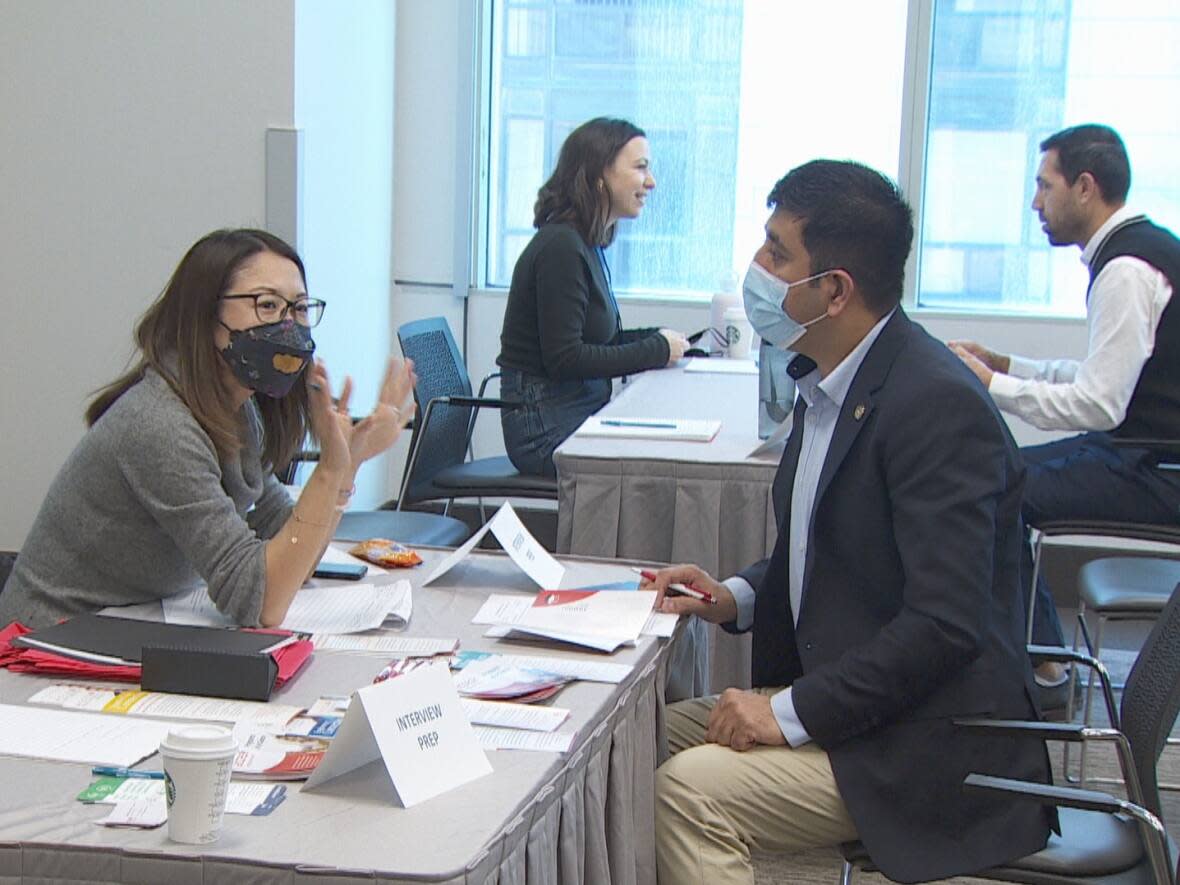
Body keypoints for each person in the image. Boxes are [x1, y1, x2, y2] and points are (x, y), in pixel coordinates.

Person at [643, 160, 1052, 884]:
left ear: (834, 290)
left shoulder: (935, 407)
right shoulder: (837, 382)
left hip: (930, 745)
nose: (756, 270)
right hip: (870, 705)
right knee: (629, 742)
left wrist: (788, 712)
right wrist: (735, 592)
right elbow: (837, 550)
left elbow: (944, 626)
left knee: (686, 793)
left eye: (776, 252)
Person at [0, 228, 415, 629]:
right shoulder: (160, 425)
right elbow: (262, 602)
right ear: (206, 314)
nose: (289, 326)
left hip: (133, 625)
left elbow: (289, 549)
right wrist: (329, 469)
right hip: (48, 643)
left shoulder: (235, 407)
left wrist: (350, 461)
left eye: (300, 308)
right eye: (267, 306)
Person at [950, 124, 1180, 701]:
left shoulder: (1126, 270)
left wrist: (991, 385)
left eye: (1043, 186)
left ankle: (1043, 670)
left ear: (1084, 187)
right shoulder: (1141, 252)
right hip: (1141, 453)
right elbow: (1105, 378)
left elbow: (1100, 405)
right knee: (993, 469)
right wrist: (1008, 364)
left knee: (991, 484)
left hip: (1153, 469)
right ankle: (1039, 660)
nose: (1034, 203)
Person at [496, 117, 689, 477]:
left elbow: (600, 341)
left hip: (567, 415)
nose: (651, 181)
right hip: (545, 433)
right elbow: (566, 359)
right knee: (658, 466)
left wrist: (657, 339)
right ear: (600, 175)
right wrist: (656, 350)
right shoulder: (561, 247)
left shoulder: (584, 244)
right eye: (640, 168)